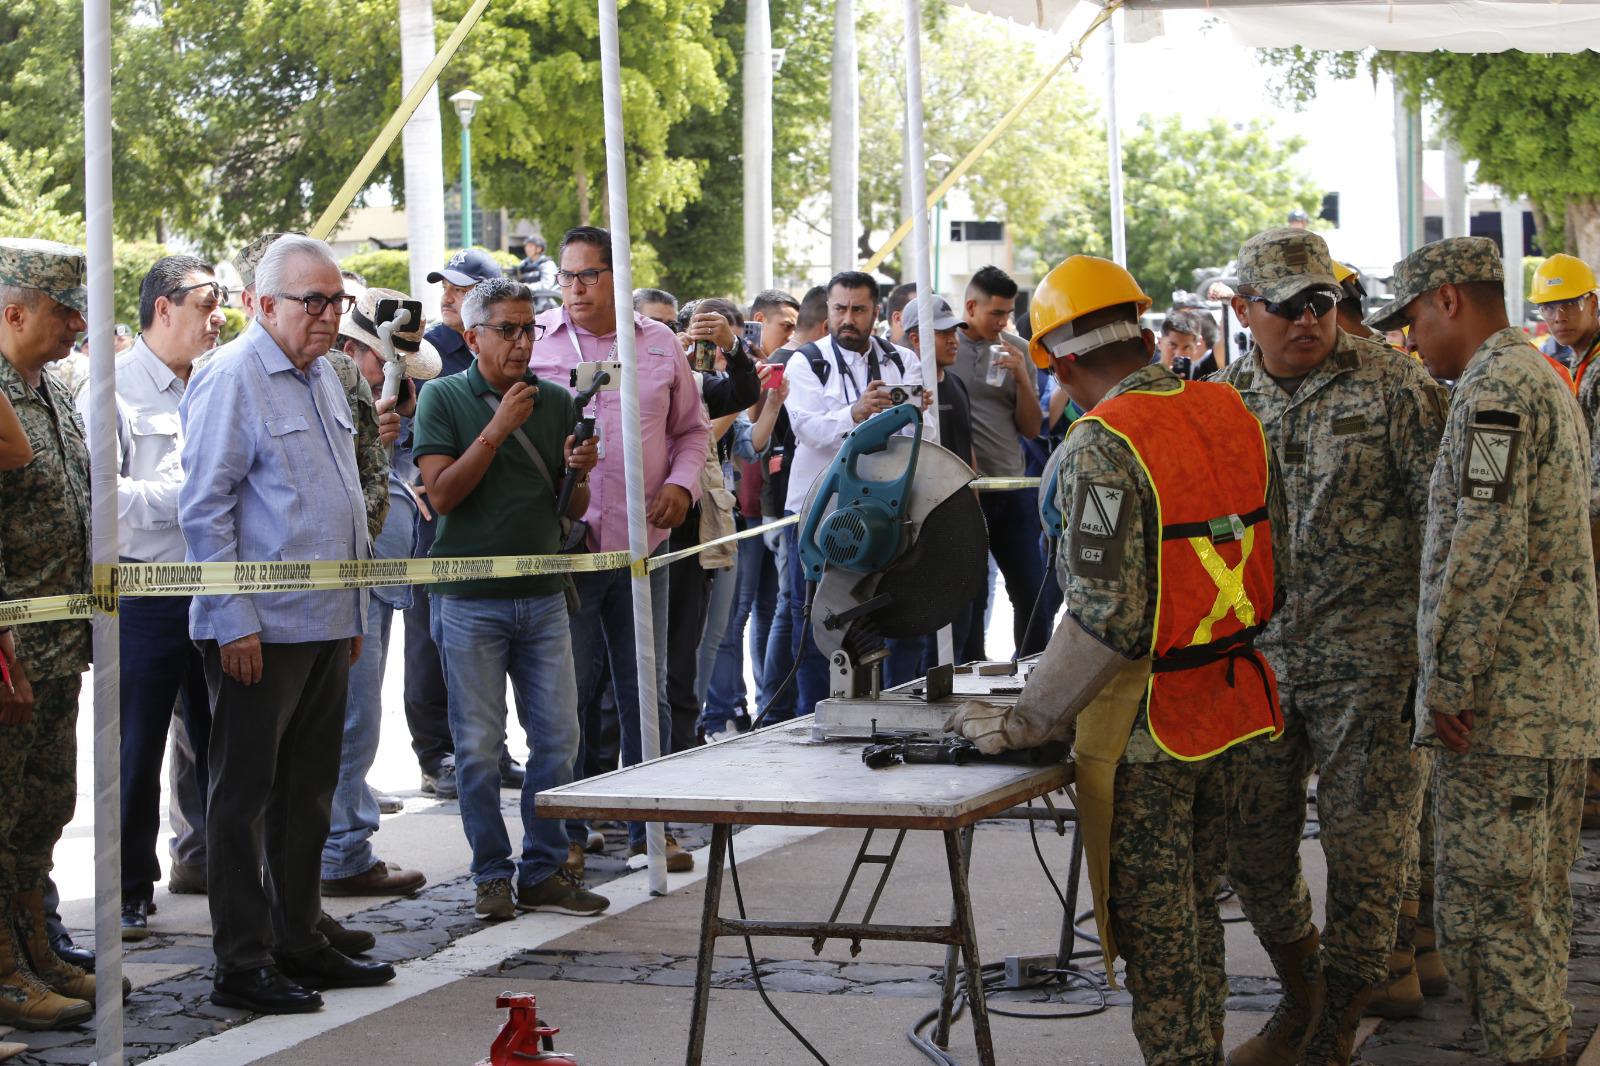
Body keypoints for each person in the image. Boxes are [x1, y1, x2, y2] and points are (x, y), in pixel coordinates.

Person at [947, 254, 1286, 1066]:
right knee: (1199, 910)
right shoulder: (1228, 407)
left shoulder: (1107, 441)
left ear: (1061, 361)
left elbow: (1106, 617)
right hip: (1235, 703)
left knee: (1159, 933)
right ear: (1137, 330)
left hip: (1154, 730)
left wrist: (1028, 720)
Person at [1214, 228, 1445, 1066]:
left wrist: (1439, 658)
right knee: (1251, 847)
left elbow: (1443, 525)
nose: (1309, 321)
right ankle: (1300, 993)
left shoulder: (1397, 386)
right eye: (1287, 307)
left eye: (1322, 303)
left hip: (1373, 665)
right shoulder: (1224, 401)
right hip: (1263, 663)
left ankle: (1337, 1023)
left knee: (1368, 854)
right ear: (1244, 311)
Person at [1370, 236, 1600, 1066]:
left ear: (1449, 302)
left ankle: (1528, 1051)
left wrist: (1451, 684)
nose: (1409, 338)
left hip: (1504, 709)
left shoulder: (1495, 390)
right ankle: (1536, 1044)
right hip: (1542, 702)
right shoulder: (1534, 375)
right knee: (1527, 909)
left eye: (1414, 320)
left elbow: (1484, 543)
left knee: (1488, 917)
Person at [180, 235, 395, 1014]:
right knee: (242, 803)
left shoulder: (325, 377)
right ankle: (241, 964)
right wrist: (233, 617)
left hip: (324, 622)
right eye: (314, 301)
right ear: (262, 305)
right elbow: (203, 507)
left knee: (309, 794)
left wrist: (353, 611)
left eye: (337, 302)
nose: (329, 316)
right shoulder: (233, 376)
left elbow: (341, 500)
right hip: (258, 634)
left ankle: (300, 939)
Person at [413, 277, 609, 919]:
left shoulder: (554, 401)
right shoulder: (441, 397)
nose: (522, 342)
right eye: (507, 329)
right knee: (477, 746)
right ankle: (491, 874)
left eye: (529, 328)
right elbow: (440, 496)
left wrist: (579, 470)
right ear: (472, 337)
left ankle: (545, 868)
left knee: (558, 739)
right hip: (470, 600)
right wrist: (498, 428)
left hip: (544, 594)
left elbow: (571, 506)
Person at [529, 226, 710, 874]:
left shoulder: (658, 343)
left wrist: (681, 489)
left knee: (646, 691)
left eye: (587, 276)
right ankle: (572, 831)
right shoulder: (541, 342)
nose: (574, 289)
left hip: (642, 545)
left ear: (616, 276)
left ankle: (650, 827)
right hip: (570, 552)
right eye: (566, 277)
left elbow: (692, 432)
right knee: (570, 695)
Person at [80, 255, 225, 940]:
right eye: (206, 302)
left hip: (215, 590)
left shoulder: (218, 382)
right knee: (134, 751)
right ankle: (128, 890)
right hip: (142, 596)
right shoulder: (110, 387)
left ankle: (214, 868)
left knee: (222, 745)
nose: (219, 316)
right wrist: (193, 497)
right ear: (163, 308)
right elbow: (104, 501)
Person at [0, 239, 98, 1030]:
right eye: (65, 311)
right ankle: (4, 970)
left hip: (60, 644)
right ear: (15, 311)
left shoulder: (55, 392)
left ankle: (36, 947)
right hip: (11, 653)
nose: (78, 324)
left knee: (46, 806)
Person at [318, 286, 441, 900]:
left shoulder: (376, 404)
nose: (392, 382)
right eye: (385, 365)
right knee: (352, 718)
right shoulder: (326, 393)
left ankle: (341, 843)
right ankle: (341, 851)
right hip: (339, 582)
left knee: (357, 719)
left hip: (373, 578)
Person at [782, 271, 927, 710]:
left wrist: (910, 413)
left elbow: (926, 432)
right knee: (816, 622)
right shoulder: (806, 361)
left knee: (894, 614)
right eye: (839, 309)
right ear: (827, 310)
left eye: (858, 310)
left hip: (888, 512)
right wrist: (857, 413)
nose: (847, 319)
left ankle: (896, 711)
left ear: (876, 313)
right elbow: (806, 429)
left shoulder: (903, 361)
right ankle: (811, 716)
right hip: (820, 514)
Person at [411, 247, 519, 801]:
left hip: (496, 518)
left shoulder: (514, 353)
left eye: (459, 288)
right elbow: (399, 425)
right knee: (432, 641)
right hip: (440, 514)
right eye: (445, 287)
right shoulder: (423, 352)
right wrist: (412, 475)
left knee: (490, 639)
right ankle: (437, 756)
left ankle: (491, 750)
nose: (447, 297)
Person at [949, 266, 1048, 657]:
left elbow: (1031, 427)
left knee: (1032, 589)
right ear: (971, 307)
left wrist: (1023, 378)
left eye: (1008, 313)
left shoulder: (1017, 349)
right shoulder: (944, 347)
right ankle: (971, 672)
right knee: (971, 596)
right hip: (962, 490)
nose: (1003, 321)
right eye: (996, 313)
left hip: (1011, 486)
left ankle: (1031, 674)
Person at [757, 285, 828, 724]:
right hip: (790, 502)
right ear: (825, 325)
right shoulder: (791, 363)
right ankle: (776, 707)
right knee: (790, 605)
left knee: (789, 604)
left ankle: (777, 704)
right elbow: (766, 442)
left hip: (794, 502)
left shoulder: (813, 362)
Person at [902, 294, 979, 667]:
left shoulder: (958, 384)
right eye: (943, 333)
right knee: (925, 624)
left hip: (960, 517)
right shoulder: (905, 389)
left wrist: (975, 501)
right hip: (925, 520)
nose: (953, 340)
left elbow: (967, 446)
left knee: (961, 616)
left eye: (955, 332)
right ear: (915, 338)